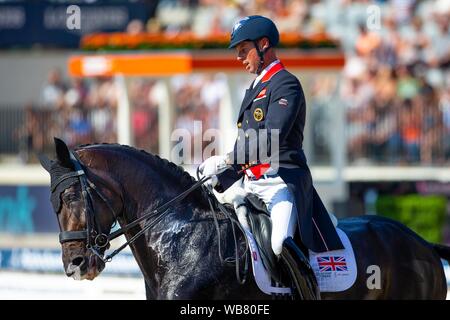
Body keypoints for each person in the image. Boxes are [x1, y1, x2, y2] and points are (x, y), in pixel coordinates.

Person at [199, 15, 343, 275]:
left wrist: (227, 159)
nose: (239, 57)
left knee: (279, 244)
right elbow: (248, 146)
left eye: (244, 51)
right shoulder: (255, 88)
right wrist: (219, 174)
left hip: (281, 182)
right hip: (251, 182)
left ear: (263, 44)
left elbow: (271, 138)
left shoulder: (286, 84)